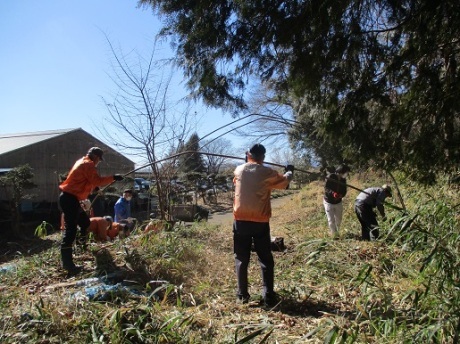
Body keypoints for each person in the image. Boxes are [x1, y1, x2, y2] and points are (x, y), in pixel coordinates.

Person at [233, 143, 294, 306]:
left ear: (248, 154)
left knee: (241, 258)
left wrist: (246, 161)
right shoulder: (267, 172)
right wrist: (289, 171)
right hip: (260, 221)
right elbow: (284, 183)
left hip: (240, 220)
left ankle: (242, 296)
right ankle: (268, 296)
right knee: (265, 258)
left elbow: (239, 181)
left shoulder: (239, 170)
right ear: (263, 157)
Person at [59, 147, 124, 274]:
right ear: (95, 157)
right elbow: (96, 180)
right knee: (70, 232)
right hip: (69, 199)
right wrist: (114, 177)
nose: (98, 162)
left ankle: (82, 246)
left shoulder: (82, 162)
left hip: (72, 199)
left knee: (85, 222)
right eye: (99, 159)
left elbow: (84, 180)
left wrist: (94, 189)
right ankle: (68, 264)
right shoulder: (88, 164)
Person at [323, 164, 350, 237]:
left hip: (338, 202)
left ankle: (337, 230)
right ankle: (335, 235)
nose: (347, 174)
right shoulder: (330, 177)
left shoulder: (343, 180)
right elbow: (326, 188)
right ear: (342, 171)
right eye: (346, 173)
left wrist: (341, 195)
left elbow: (344, 190)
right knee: (331, 220)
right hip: (329, 202)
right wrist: (333, 193)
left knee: (339, 219)